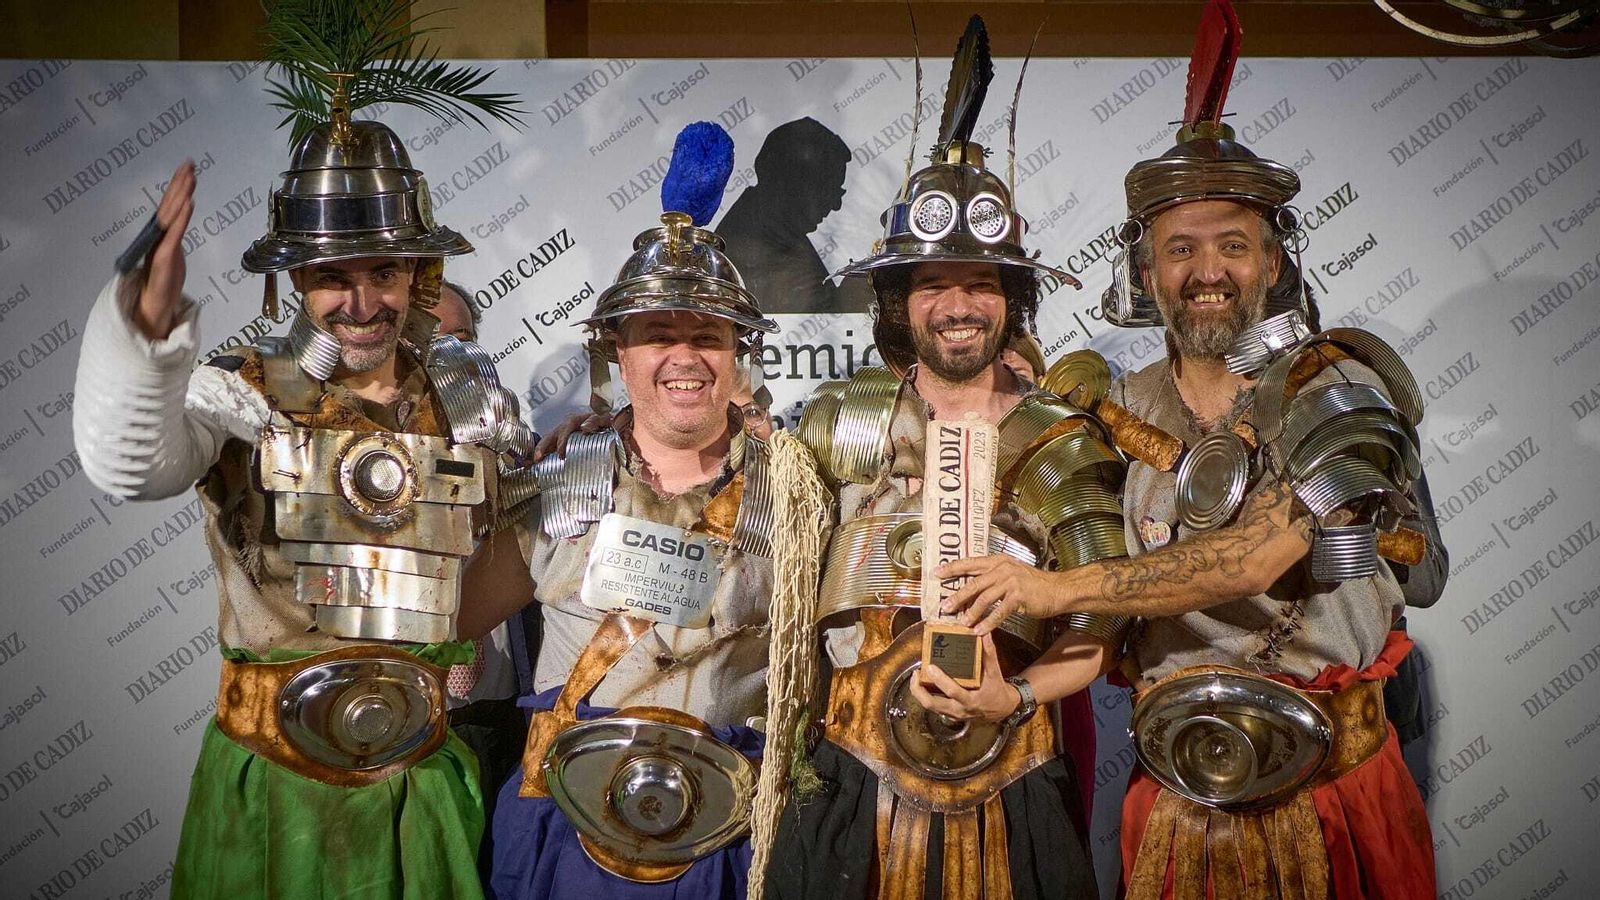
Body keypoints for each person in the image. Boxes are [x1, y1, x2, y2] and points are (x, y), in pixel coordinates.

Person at [939, 2, 1441, 897]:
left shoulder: (1334, 392)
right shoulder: (1120, 408)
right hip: (1177, 794)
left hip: (1333, 794)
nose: (1207, 272)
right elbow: (1091, 616)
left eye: (1232, 247)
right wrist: (1012, 694)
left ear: (1274, 262)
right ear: (1145, 272)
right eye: (1180, 250)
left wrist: (1058, 587)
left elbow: (1255, 559)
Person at [71, 23, 525, 897]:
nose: (362, 303)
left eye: (385, 272)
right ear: (292, 283)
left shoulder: (466, 402)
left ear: (419, 276)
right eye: (333, 277)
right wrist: (148, 334)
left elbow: (512, 562)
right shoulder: (238, 396)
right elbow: (131, 467)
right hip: (273, 792)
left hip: (416, 784)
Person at [763, 17, 1121, 900]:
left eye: (982, 282)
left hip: (1009, 775)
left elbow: (1098, 630)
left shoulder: (1059, 438)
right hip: (848, 767)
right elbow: (778, 604)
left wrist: (1020, 699)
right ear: (898, 301)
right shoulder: (838, 419)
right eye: (932, 283)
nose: (957, 304)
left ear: (1011, 300)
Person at [458, 122, 826, 900]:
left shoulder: (796, 493)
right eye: (658, 333)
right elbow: (450, 618)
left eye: (707, 335)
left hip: (727, 831)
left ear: (738, 353)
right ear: (618, 351)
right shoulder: (558, 477)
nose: (684, 357)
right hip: (568, 826)